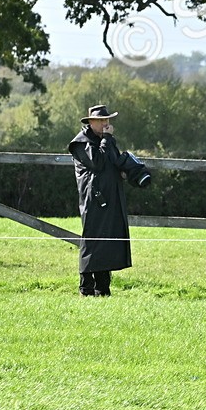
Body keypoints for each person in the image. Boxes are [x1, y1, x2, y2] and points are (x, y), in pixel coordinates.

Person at [68, 105, 152, 297]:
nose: (106, 124)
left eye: (107, 120)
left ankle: (103, 289)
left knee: (107, 242)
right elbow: (96, 163)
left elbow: (112, 161)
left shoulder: (107, 141)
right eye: (101, 121)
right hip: (93, 200)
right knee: (91, 242)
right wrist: (107, 139)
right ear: (90, 122)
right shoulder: (80, 144)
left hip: (111, 199)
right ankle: (86, 289)